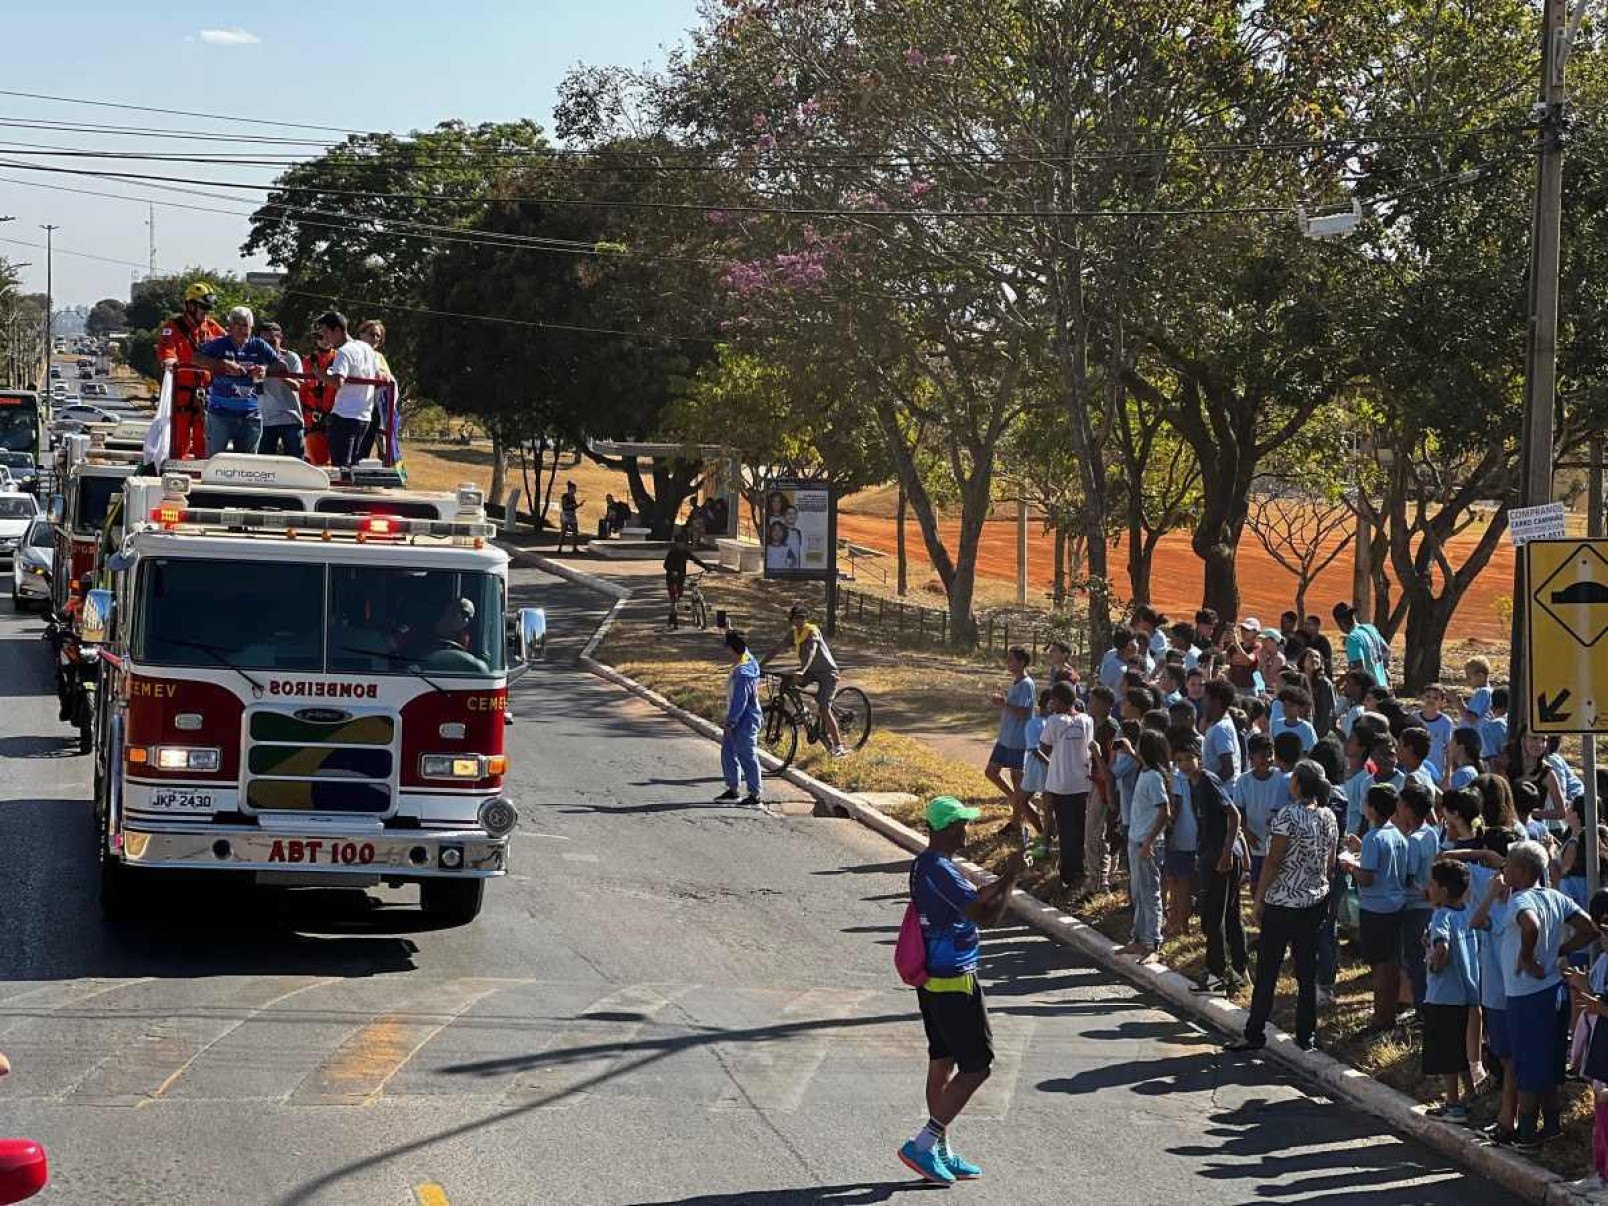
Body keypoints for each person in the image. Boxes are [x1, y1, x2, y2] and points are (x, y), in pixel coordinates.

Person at [900, 796, 1027, 1185]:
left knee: (943, 1061)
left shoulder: (930, 865)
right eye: (964, 824)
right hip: (954, 982)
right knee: (977, 1066)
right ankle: (924, 1143)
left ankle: (939, 1151)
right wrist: (1011, 876)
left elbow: (981, 905)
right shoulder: (938, 869)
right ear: (952, 828)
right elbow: (982, 914)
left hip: (934, 981)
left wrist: (1006, 880)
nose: (968, 830)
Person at [1472, 839, 1599, 1149]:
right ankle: (1551, 1125)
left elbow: (1530, 925)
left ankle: (1527, 1132)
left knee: (1527, 1062)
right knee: (1550, 1058)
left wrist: (1528, 957)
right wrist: (1560, 950)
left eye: (1510, 863)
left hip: (1527, 994)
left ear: (1525, 869)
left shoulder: (1521, 900)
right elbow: (1590, 929)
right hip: (1554, 989)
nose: (1505, 869)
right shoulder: (1556, 897)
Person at [1226, 759, 1340, 1053]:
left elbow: (1274, 860)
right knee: (1305, 970)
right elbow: (1330, 862)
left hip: (1283, 902)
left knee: (1268, 971)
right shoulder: (1328, 816)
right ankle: (1306, 1035)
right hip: (1313, 901)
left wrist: (1260, 897)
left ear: (1299, 785)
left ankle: (1255, 1032)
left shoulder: (1288, 816)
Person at [1176, 732, 1247, 994]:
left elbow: (1234, 815)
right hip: (1209, 854)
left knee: (1214, 916)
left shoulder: (1208, 781)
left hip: (1222, 857)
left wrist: (1228, 852)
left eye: (1188, 759)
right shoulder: (1192, 784)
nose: (1184, 765)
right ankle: (1238, 970)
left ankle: (1218, 975)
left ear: (1199, 758)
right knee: (1226, 914)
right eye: (1179, 760)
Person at [1341, 783, 1409, 1031]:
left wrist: (1350, 866)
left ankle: (1381, 1017)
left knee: (1379, 966)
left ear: (1372, 808)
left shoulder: (1373, 838)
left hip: (1375, 908)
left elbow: (1367, 877)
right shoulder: (1398, 836)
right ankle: (1388, 1012)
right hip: (1397, 905)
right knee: (1392, 963)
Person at [1423, 859, 1480, 1124]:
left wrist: (1434, 965)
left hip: (1443, 995)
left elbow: (1442, 948)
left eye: (1433, 884)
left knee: (1446, 1054)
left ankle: (1453, 1104)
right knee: (1458, 1049)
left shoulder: (1440, 916)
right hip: (1466, 991)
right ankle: (1471, 1094)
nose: (1429, 888)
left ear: (1444, 890)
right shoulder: (1468, 913)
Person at [190, 305, 282, 456]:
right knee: (214, 460)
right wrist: (222, 364)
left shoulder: (259, 345)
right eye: (237, 325)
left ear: (252, 327)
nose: (242, 330)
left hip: (250, 415)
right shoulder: (220, 344)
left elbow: (280, 364)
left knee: (247, 464)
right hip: (220, 413)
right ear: (230, 327)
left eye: (245, 325)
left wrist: (265, 369)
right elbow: (196, 358)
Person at [1116, 729, 1173, 963]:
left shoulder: (1154, 777)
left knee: (1150, 894)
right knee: (1138, 892)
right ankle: (1139, 939)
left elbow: (1164, 811)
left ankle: (1153, 943)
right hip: (1135, 840)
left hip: (1147, 843)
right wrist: (1129, 751)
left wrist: (1149, 841)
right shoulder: (1146, 770)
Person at [763, 605, 848, 757]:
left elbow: (811, 652)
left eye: (803, 617)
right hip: (810, 672)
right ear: (792, 619)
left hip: (827, 673)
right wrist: (759, 665)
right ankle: (804, 712)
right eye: (797, 617)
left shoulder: (812, 631)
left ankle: (838, 746)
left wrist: (802, 670)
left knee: (823, 709)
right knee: (787, 684)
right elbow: (777, 649)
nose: (800, 620)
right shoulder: (793, 634)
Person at [155, 280, 226, 459]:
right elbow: (167, 349)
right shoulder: (174, 327)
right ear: (191, 306)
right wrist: (170, 360)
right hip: (182, 394)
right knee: (179, 442)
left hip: (207, 393)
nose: (206, 313)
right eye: (203, 308)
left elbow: (229, 344)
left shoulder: (211, 327)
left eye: (208, 309)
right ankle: (179, 476)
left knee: (206, 441)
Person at [1039, 681, 1095, 901]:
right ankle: (1080, 870)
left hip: (1061, 783)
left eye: (1053, 700)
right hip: (1083, 782)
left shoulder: (1053, 721)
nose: (1051, 704)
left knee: (1065, 829)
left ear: (1060, 701)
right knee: (1080, 828)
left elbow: (1044, 747)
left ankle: (1068, 874)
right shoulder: (1087, 720)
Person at [310, 311, 379, 469]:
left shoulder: (343, 351)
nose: (325, 338)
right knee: (354, 467)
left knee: (341, 467)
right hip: (364, 416)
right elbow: (376, 373)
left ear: (338, 331)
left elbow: (337, 381)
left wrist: (319, 375)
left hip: (345, 416)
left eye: (326, 332)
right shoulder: (365, 348)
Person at [1397, 783, 1439, 1010]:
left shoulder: (1413, 840)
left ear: (1409, 809)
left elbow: (1408, 877)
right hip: (1428, 904)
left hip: (1414, 904)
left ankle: (1420, 1003)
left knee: (1414, 958)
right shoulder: (1431, 832)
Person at [714, 630, 763, 806]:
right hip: (737, 718)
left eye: (728, 648)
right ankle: (733, 789)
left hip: (745, 720)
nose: (726, 652)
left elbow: (740, 701)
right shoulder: (748, 659)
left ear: (734, 649)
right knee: (728, 752)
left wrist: (730, 722)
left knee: (747, 755)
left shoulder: (743, 673)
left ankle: (755, 794)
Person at [1235, 732, 1287, 889]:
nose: (1268, 759)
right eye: (1262, 756)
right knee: (1256, 883)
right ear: (1251, 758)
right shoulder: (1244, 781)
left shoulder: (1282, 778)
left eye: (1270, 754)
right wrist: (1245, 831)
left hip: (1276, 839)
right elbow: (1239, 809)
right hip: (1255, 841)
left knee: (1275, 882)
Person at [983, 647, 1035, 801]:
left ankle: (1020, 815)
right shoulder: (1015, 682)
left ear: (1022, 662)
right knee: (991, 772)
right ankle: (1014, 800)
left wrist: (1005, 703)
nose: (1008, 662)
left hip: (1018, 740)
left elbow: (1024, 712)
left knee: (1017, 779)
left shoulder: (1026, 684)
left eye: (1011, 659)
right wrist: (1002, 701)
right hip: (1005, 738)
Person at [253, 322, 305, 459]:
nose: (268, 346)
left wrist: (280, 374)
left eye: (271, 341)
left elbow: (298, 386)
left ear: (280, 338)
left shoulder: (291, 358)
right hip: (265, 419)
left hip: (290, 418)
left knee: (296, 463)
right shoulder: (256, 359)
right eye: (263, 342)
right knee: (264, 464)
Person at [353, 319, 395, 463]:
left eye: (378, 336)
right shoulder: (352, 352)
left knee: (375, 450)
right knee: (354, 450)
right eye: (372, 334)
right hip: (354, 408)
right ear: (361, 334)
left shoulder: (379, 357)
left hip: (375, 410)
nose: (375, 338)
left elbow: (388, 379)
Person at [662, 525, 716, 631]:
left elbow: (695, 559)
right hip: (671, 578)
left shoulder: (685, 552)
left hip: (681, 577)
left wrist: (707, 567)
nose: (682, 545)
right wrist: (672, 571)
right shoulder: (672, 552)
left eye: (684, 543)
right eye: (680, 543)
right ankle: (674, 621)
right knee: (674, 599)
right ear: (676, 543)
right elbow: (666, 565)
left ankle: (672, 617)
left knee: (678, 597)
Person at [1333, 601, 1390, 688]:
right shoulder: (1370, 629)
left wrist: (1340, 684)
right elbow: (1387, 651)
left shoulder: (1353, 638)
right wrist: (1382, 670)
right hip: (1383, 685)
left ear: (1340, 623)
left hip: (1370, 693)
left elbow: (1358, 671)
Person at [1201, 680, 1242, 788]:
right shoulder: (1217, 724)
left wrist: (1207, 786)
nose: (1203, 701)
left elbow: (1228, 770)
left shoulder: (1221, 728)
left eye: (1205, 697)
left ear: (1216, 701)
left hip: (1225, 794)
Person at [1415, 684, 1456, 778]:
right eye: (1428, 696)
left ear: (1442, 701)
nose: (1431, 700)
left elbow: (1450, 750)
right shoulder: (1414, 718)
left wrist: (1447, 776)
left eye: (1435, 698)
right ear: (1422, 697)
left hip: (1437, 770)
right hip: (1416, 769)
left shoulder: (1446, 722)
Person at [557, 482, 585, 555]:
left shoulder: (573, 497)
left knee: (575, 531)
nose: (575, 490)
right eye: (574, 489)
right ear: (570, 489)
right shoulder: (565, 496)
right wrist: (574, 505)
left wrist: (578, 505)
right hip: (566, 514)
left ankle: (574, 548)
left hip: (572, 514)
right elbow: (565, 506)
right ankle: (560, 547)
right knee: (564, 530)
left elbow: (574, 506)